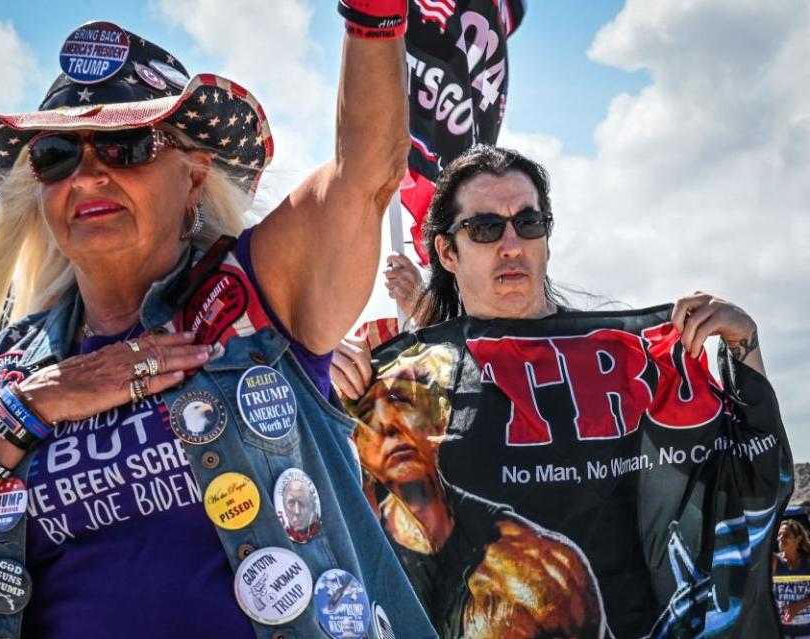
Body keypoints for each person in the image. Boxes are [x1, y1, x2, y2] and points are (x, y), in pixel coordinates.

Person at [0, 11, 437, 639]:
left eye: (127, 145)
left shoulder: (251, 293)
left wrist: (373, 20)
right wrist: (32, 406)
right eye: (56, 156)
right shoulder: (9, 366)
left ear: (194, 178)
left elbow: (365, 176)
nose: (87, 175)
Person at [333, 145, 787, 637]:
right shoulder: (411, 384)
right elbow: (333, 515)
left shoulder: (628, 359)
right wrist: (323, 382)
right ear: (446, 252)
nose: (512, 244)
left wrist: (744, 346)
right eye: (485, 228)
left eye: (528, 224)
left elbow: (748, 477)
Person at [348, 342, 606, 637]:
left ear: (440, 418)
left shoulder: (537, 566)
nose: (385, 423)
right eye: (365, 413)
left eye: (402, 401)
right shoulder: (347, 549)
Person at [775, 519, 810, 636]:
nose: (781, 538)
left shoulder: (808, 560)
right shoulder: (774, 561)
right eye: (779, 534)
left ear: (798, 539)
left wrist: (798, 606)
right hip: (781, 632)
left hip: (806, 632)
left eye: (786, 535)